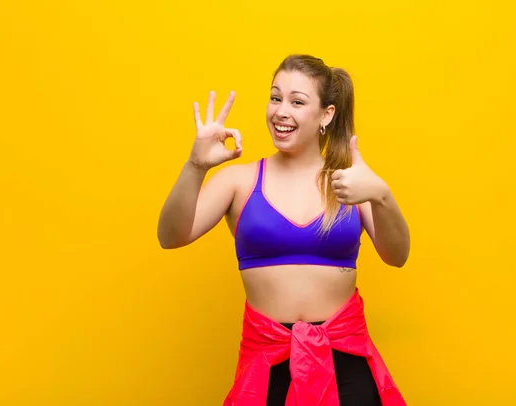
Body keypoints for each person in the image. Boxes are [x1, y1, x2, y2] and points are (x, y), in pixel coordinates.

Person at [157, 54, 410, 406]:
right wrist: (196, 165)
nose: (281, 111)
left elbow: (397, 256)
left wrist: (382, 195)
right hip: (267, 364)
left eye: (297, 101)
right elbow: (170, 236)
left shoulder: (351, 183)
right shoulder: (239, 181)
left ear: (327, 115)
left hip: (345, 365)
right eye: (275, 98)